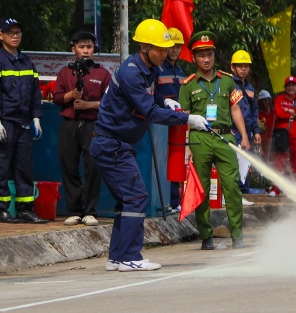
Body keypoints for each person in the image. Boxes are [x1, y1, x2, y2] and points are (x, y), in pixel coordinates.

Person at [90, 19, 208, 271]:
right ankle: (130, 257)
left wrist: (166, 102)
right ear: (144, 46)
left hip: (117, 144)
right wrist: (187, 119)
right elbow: (148, 111)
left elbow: (153, 100)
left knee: (127, 200)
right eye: (160, 49)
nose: (165, 53)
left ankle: (117, 257)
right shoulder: (132, 72)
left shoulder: (150, 69)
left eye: (167, 49)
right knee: (136, 197)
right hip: (111, 145)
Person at [178, 36, 249, 250]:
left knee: (232, 187)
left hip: (225, 137)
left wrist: (244, 136)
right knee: (202, 189)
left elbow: (235, 109)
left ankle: (237, 235)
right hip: (200, 139)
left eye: (209, 54)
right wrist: (187, 146)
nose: (206, 59)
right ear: (194, 58)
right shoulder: (188, 85)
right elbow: (185, 117)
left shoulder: (227, 80)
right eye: (201, 55)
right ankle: (206, 235)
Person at [0, 18, 44, 223]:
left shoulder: (26, 61)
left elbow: (35, 92)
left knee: (24, 167)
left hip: (23, 122)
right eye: (11, 33)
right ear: (1, 36)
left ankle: (25, 208)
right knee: (1, 166)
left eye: (18, 32)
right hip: (4, 122)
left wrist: (36, 117)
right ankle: (1, 209)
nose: (16, 36)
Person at [53, 30, 111, 226]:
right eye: (81, 47)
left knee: (93, 166)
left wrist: (89, 105)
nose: (85, 51)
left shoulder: (102, 73)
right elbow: (57, 98)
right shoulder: (65, 72)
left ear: (94, 49)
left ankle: (89, 211)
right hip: (69, 124)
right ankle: (75, 211)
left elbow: (110, 102)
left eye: (89, 47)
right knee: (68, 165)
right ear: (73, 49)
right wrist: (71, 95)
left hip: (93, 125)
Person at [155, 38, 187, 210]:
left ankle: (175, 201)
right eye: (172, 47)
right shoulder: (158, 68)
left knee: (176, 160)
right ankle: (164, 201)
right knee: (163, 161)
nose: (175, 50)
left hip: (178, 121)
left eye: (178, 47)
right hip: (161, 120)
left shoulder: (181, 71)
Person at [271, 75, 296, 176]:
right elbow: (279, 113)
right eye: (288, 85)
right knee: (280, 161)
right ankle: (276, 188)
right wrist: (295, 112)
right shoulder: (279, 99)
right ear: (285, 87)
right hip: (282, 134)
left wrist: (287, 110)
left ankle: (294, 186)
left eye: (293, 85)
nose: (291, 87)